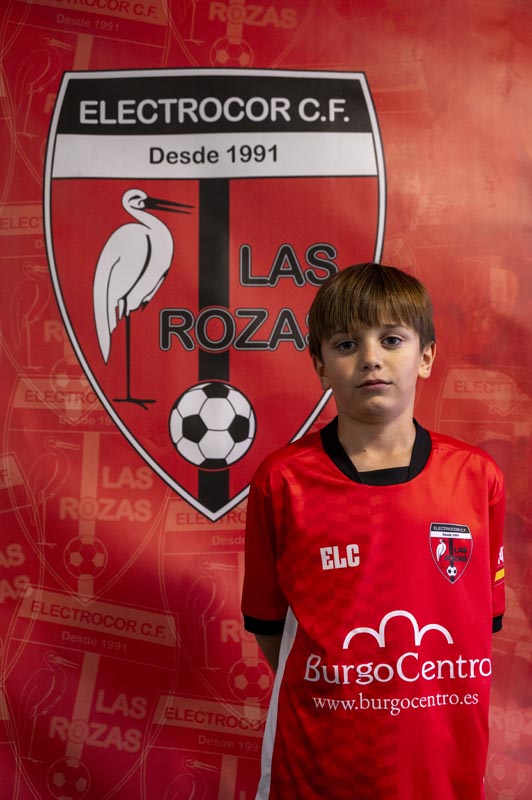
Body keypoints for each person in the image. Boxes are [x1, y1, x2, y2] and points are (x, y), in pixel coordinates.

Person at [241, 263, 505, 800]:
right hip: (318, 768)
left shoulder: (476, 478)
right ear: (320, 366)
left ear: (426, 356)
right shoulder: (283, 481)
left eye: (391, 339)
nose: (370, 358)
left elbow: (481, 623)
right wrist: (354, 689)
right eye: (346, 344)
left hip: (441, 768)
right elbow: (270, 629)